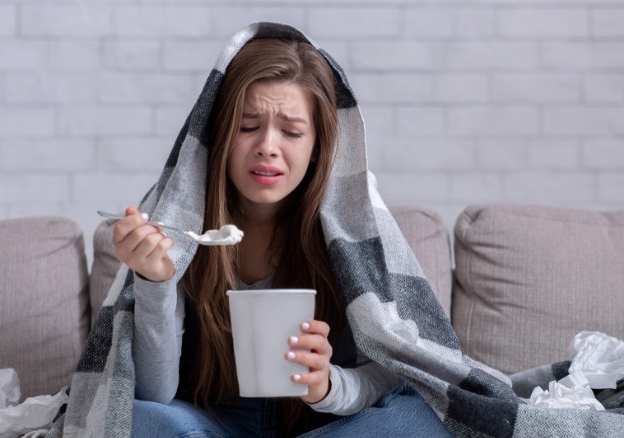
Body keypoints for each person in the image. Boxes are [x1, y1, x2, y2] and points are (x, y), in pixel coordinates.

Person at [111, 28, 453, 437]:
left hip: (325, 423)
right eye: (247, 126)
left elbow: (393, 369)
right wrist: (155, 282)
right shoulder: (177, 221)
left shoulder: (353, 221)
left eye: (291, 132)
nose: (267, 147)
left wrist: (328, 386)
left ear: (318, 147)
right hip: (213, 421)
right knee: (136, 420)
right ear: (219, 133)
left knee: (423, 417)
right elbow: (154, 393)